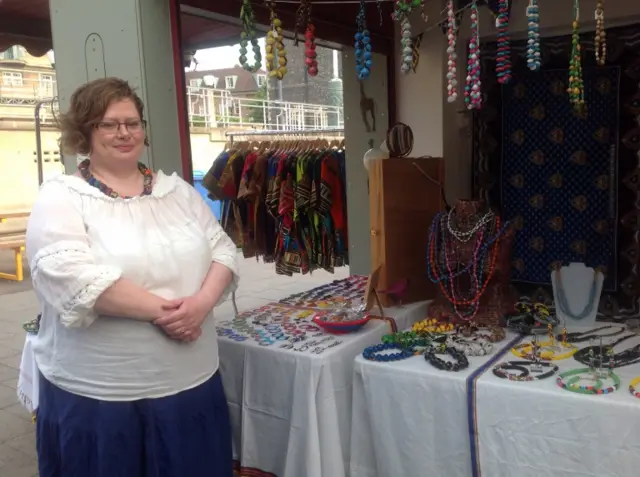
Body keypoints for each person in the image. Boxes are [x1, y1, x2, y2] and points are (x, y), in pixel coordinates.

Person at [26, 77, 239, 477]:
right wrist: (174, 314)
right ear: (84, 132)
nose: (124, 132)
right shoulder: (61, 196)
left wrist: (201, 304)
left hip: (189, 389)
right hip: (102, 403)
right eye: (108, 124)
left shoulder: (177, 193)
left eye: (132, 122)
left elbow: (223, 249)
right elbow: (70, 276)